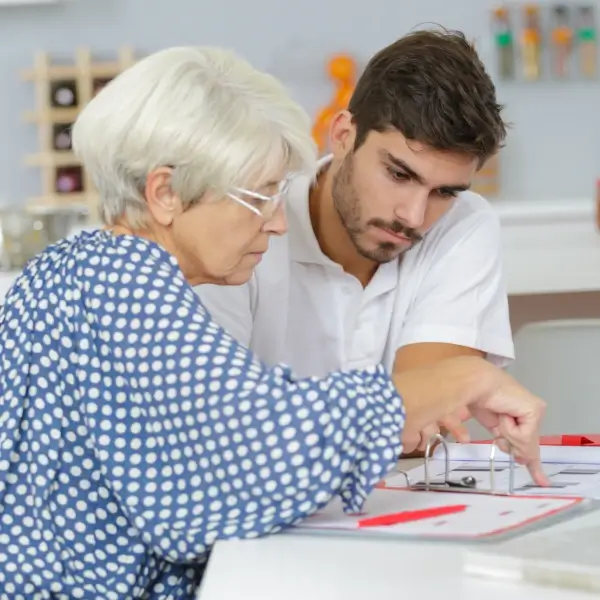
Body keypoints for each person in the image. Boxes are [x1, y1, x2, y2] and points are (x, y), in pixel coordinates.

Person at [0, 46, 546, 600]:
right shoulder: (127, 281)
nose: (279, 222)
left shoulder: (75, 269)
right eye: (260, 196)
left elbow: (223, 437)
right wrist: (463, 380)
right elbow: (253, 458)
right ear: (164, 193)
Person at [195, 29, 513, 453]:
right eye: (399, 174)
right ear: (343, 134)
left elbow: (421, 430)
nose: (413, 217)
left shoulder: (465, 223)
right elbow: (219, 429)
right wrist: (396, 412)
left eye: (444, 192)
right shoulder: (248, 219)